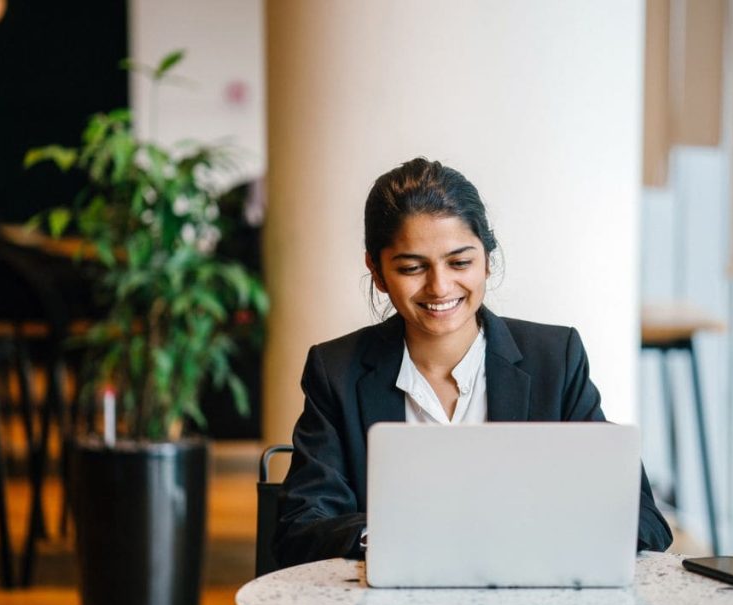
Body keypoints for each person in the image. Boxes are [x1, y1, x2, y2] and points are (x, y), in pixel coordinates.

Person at [275, 158, 672, 570]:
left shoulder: (555, 358)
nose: (440, 287)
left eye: (460, 262)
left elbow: (646, 524)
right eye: (412, 268)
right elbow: (300, 529)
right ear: (376, 270)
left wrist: (545, 533)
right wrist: (395, 537)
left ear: (487, 258)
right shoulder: (336, 370)